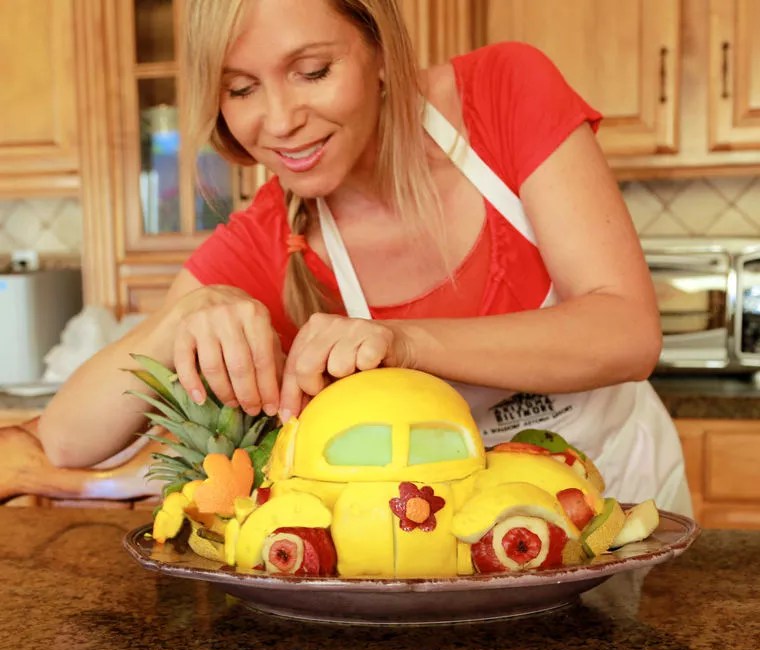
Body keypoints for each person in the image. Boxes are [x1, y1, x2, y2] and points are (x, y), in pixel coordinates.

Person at [38, 0, 692, 516]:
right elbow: (65, 439)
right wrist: (182, 317)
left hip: (619, 496)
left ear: (379, 49)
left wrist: (403, 342)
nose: (280, 120)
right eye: (241, 89)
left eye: (312, 72)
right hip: (441, 539)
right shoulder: (267, 237)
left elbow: (628, 331)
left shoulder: (504, 93)